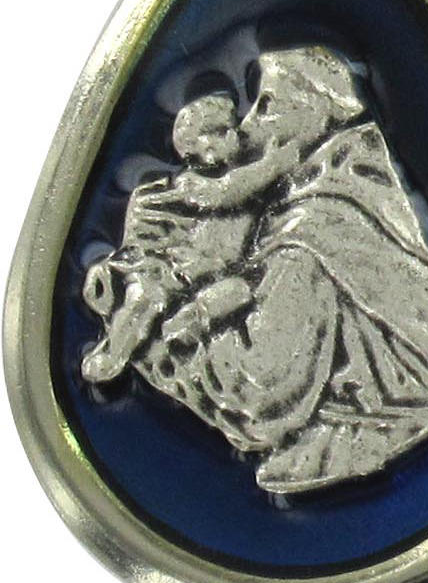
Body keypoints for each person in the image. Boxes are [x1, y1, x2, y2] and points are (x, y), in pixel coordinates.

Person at [132, 46, 428, 493]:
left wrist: (170, 337)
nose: (249, 124)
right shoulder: (340, 179)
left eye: (267, 106)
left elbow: (265, 388)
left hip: (379, 400)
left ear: (318, 110)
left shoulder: (315, 227)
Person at [82, 93, 297, 383]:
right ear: (206, 147)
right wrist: (273, 165)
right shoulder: (192, 183)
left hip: (215, 273)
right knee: (145, 297)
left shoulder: (248, 184)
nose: (237, 135)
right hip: (173, 268)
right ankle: (114, 352)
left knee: (239, 292)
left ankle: (184, 326)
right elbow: (225, 192)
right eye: (227, 130)